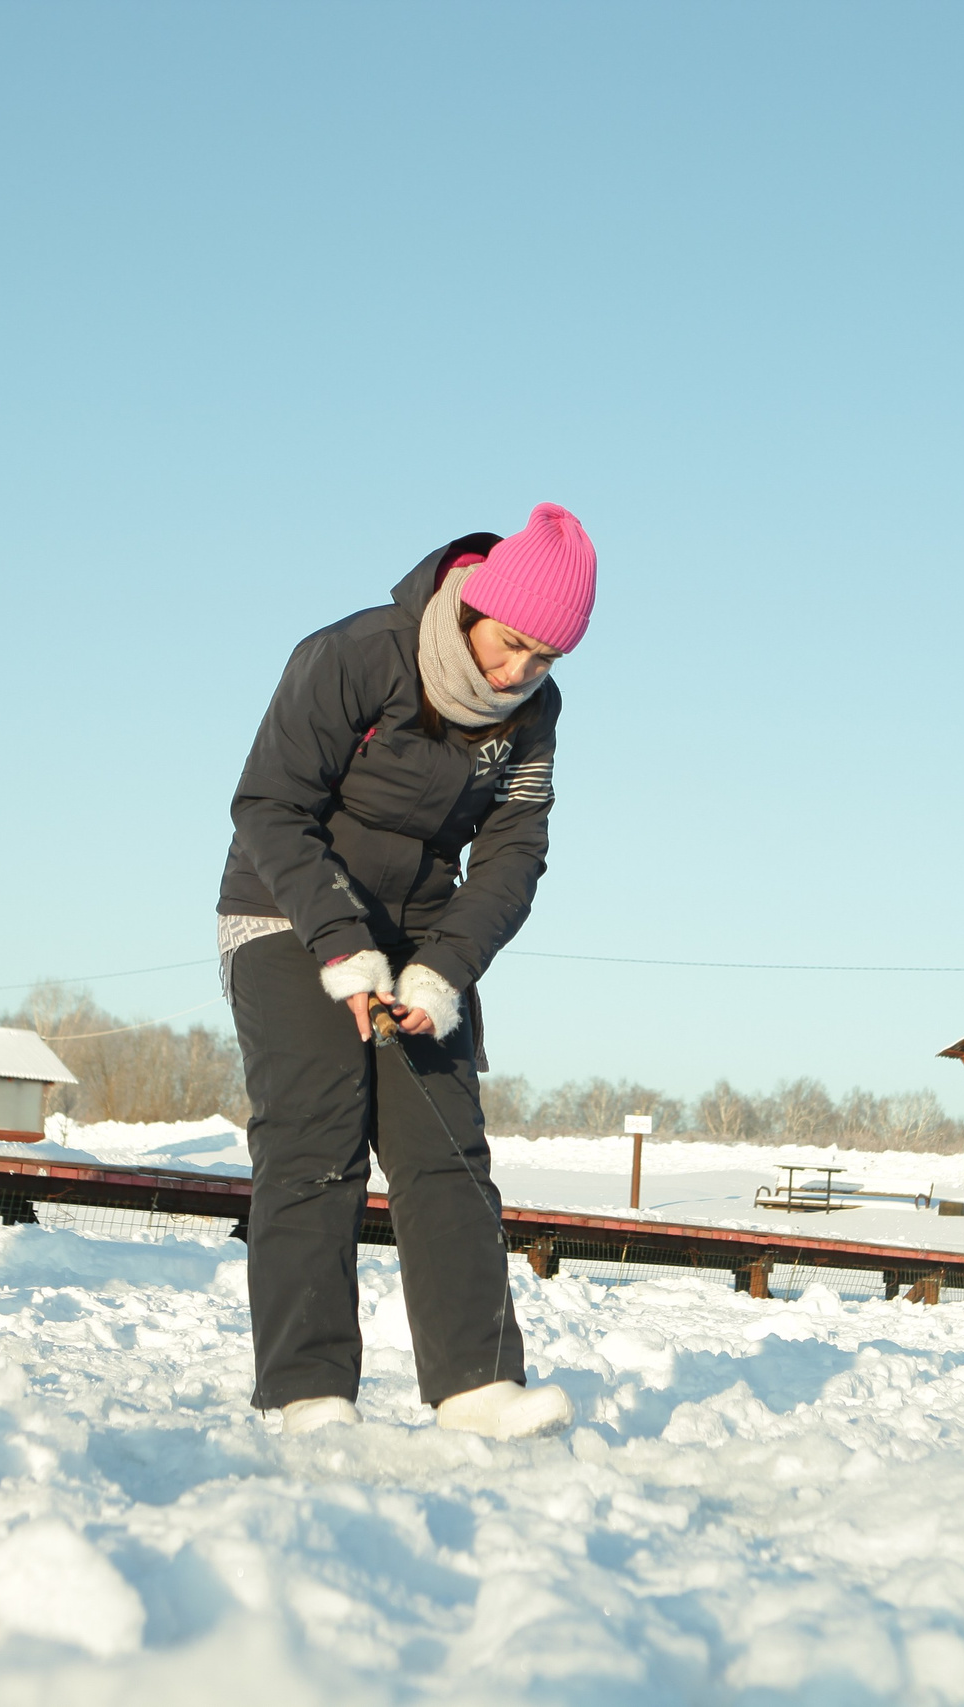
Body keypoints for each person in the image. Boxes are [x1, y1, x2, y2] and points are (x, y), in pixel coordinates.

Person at [216, 503, 593, 1441]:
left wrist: (441, 973)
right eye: (510, 646)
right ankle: (306, 1395)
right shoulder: (354, 654)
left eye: (543, 659)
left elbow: (512, 858)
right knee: (317, 1137)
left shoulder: (533, 715)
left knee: (445, 1147)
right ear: (473, 608)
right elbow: (266, 805)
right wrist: (342, 944)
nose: (517, 673)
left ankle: (475, 1387)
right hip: (286, 905)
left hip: (423, 926)